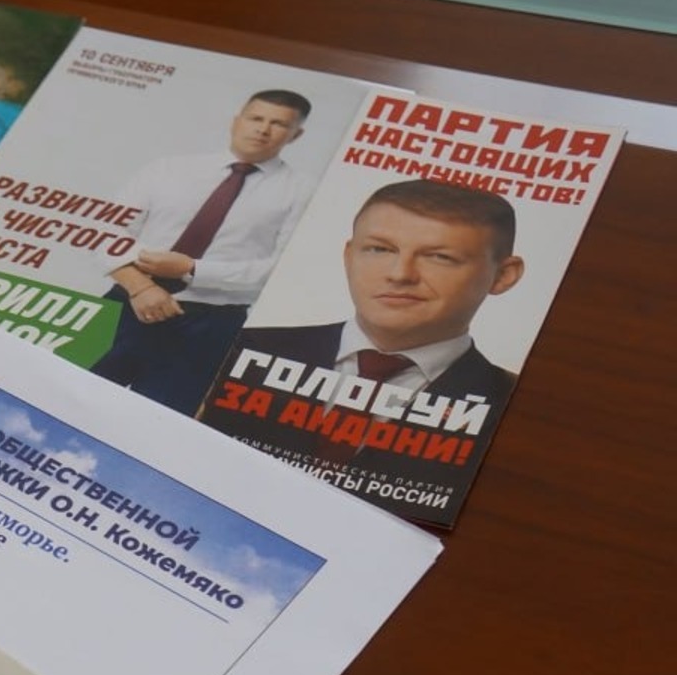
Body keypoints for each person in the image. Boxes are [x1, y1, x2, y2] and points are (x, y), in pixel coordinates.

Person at [202, 179, 524, 484]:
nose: (400, 274)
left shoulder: (508, 404)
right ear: (348, 256)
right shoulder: (243, 347)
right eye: (379, 249)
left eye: (440, 257)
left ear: (503, 275)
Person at [89, 89, 314, 415]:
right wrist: (141, 287)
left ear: (297, 134)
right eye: (256, 118)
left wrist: (192, 268)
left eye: (278, 123)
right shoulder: (168, 168)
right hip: (127, 302)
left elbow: (282, 269)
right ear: (236, 121)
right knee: (61, 389)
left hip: (209, 326)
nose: (263, 129)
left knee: (154, 421)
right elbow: (106, 229)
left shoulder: (302, 192)